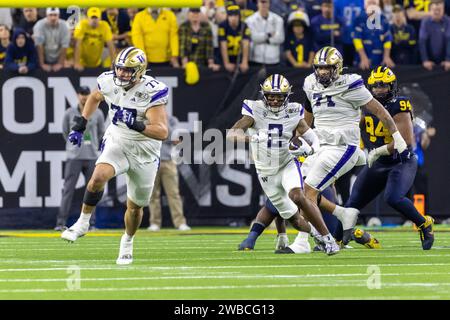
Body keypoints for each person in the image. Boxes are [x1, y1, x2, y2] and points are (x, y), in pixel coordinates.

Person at [61, 47, 169, 265]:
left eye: (128, 71)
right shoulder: (108, 81)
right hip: (118, 139)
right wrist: (80, 125)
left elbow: (162, 132)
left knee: (135, 207)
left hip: (145, 150)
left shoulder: (151, 90)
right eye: (119, 69)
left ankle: (128, 240)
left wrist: (136, 124)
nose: (121, 74)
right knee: (98, 177)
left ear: (139, 71)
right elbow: (94, 97)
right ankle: (83, 222)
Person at [300, 46, 410, 243]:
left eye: (328, 68)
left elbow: (380, 112)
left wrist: (398, 137)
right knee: (299, 191)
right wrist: (300, 141)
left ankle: (319, 239)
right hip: (320, 144)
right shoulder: (310, 83)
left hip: (342, 146)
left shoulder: (351, 84)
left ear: (338, 67)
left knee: (308, 193)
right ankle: (342, 214)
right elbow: (307, 116)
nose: (323, 72)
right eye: (320, 68)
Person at [227, 74, 340, 255]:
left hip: (287, 162)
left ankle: (329, 239)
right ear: (264, 94)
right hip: (266, 171)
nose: (274, 100)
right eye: (270, 95)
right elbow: (231, 134)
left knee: (298, 196)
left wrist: (311, 150)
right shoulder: (254, 110)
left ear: (287, 96)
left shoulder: (294, 111)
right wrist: (253, 137)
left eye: (279, 96)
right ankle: (316, 235)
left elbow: (310, 136)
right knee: (294, 219)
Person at [331, 66, 435, 250]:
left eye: (383, 85)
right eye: (376, 86)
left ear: (392, 86)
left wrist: (377, 151)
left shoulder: (399, 104)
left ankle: (423, 224)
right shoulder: (365, 104)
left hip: (401, 160)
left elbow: (407, 142)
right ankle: (335, 241)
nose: (379, 90)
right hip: (378, 162)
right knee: (352, 203)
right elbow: (355, 126)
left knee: (393, 198)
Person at [55, 86, 105, 231]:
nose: (84, 97)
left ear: (90, 95)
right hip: (74, 156)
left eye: (86, 94)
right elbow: (65, 132)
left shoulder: (98, 113)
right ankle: (60, 223)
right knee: (68, 190)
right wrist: (73, 147)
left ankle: (91, 223)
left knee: (93, 191)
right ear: (78, 95)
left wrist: (93, 145)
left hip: (91, 156)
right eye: (82, 94)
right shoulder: (69, 113)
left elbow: (101, 132)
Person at [148, 115, 191, 232]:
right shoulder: (148, 118)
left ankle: (180, 223)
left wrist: (161, 122)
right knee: (153, 195)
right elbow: (147, 136)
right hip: (151, 161)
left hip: (169, 161)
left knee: (174, 194)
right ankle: (154, 223)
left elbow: (176, 139)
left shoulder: (171, 119)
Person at [353, 0, 395, 70]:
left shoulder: (384, 19)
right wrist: (363, 58)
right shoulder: (359, 19)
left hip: (379, 60)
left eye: (374, 3)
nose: (372, 6)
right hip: (362, 61)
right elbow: (357, 40)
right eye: (370, 3)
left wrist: (386, 57)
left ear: (378, 5)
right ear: (365, 5)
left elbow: (387, 40)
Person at [246, 0, 285, 66]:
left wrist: (263, 38)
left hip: (273, 59)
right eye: (261, 2)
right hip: (256, 59)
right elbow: (254, 38)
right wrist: (269, 34)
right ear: (257, 3)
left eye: (265, 2)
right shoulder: (250, 20)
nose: (263, 4)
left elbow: (280, 38)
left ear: (269, 4)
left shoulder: (278, 19)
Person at [33, 8, 70, 72]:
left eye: (55, 15)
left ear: (59, 16)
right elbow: (39, 46)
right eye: (50, 15)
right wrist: (42, 64)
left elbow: (64, 46)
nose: (53, 18)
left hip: (58, 55)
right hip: (44, 56)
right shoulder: (39, 25)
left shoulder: (65, 25)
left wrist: (60, 63)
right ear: (46, 16)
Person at [419, 0, 450, 71]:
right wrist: (425, 60)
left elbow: (449, 41)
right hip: (429, 61)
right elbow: (422, 42)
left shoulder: (448, 21)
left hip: (445, 61)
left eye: (439, 10)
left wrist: (448, 59)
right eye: (435, 10)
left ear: (443, 10)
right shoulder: (425, 22)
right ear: (430, 10)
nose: (437, 12)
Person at [218, 5, 251, 73]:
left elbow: (246, 44)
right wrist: (226, 63)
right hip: (227, 57)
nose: (233, 18)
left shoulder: (244, 26)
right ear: (227, 16)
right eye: (231, 15)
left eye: (235, 15)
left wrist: (244, 62)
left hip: (239, 57)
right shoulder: (222, 26)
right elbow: (223, 45)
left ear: (239, 16)